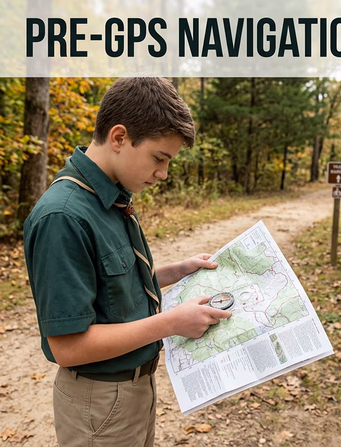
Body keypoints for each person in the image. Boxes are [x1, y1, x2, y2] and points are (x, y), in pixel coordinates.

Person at [23, 77, 232, 447]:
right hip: (99, 403)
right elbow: (67, 347)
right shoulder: (64, 217)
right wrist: (170, 323)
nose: (163, 173)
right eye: (159, 158)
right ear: (119, 138)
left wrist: (176, 270)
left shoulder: (111, 195)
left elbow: (113, 286)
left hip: (133, 391)